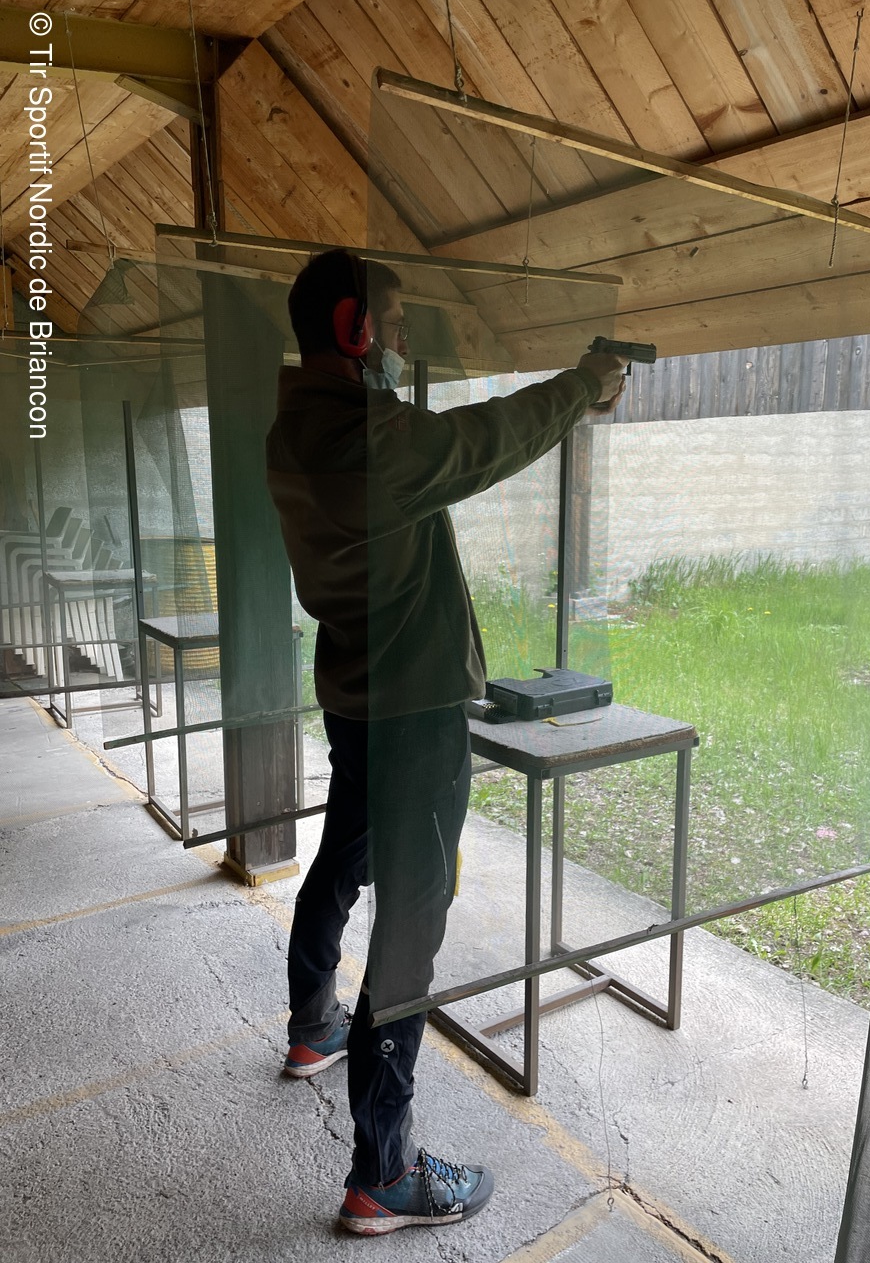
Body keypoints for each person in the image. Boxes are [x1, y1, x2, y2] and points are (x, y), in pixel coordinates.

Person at [265, 249, 625, 1236]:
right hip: (412, 711)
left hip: (357, 695)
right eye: (395, 324)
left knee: (344, 859)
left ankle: (311, 1026)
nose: (403, 342)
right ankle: (383, 1168)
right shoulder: (362, 441)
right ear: (355, 329)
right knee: (412, 926)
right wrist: (581, 388)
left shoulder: (300, 426)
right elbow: (481, 440)